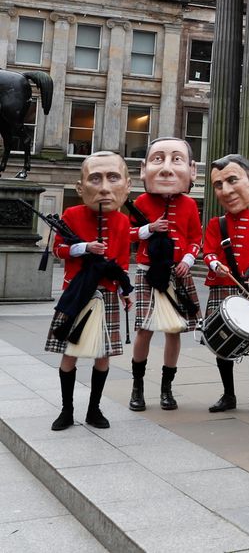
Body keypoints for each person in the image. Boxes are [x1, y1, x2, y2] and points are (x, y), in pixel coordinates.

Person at [47, 151, 133, 431]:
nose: (105, 188)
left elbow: (120, 262)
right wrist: (84, 248)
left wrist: (124, 291)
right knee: (69, 352)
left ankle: (94, 409)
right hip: (77, 292)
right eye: (96, 179)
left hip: (107, 294)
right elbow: (58, 250)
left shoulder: (122, 221)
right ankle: (67, 410)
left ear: (126, 185)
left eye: (112, 178)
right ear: (81, 187)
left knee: (103, 355)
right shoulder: (72, 214)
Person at [128, 137, 202, 412]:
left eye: (177, 160)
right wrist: (149, 229)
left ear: (191, 170)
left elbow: (196, 237)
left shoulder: (190, 205)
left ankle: (166, 389)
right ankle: (137, 388)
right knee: (145, 329)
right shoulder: (142, 201)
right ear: (144, 168)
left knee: (174, 331)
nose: (167, 169)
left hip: (178, 272)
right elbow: (127, 233)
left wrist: (188, 258)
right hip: (149, 270)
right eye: (158, 160)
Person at [202, 154, 249, 415]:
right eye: (219, 185)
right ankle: (228, 395)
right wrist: (215, 264)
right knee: (222, 342)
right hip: (222, 285)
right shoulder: (216, 223)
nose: (225, 191)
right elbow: (208, 251)